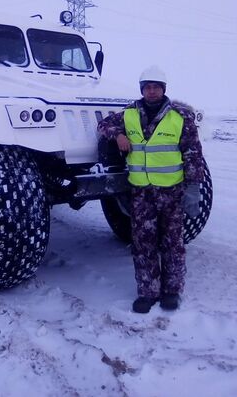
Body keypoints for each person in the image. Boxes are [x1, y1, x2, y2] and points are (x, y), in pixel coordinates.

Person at [97, 65, 204, 313]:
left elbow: (193, 153)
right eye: (147, 87)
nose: (152, 91)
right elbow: (103, 124)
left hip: (171, 192)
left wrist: (193, 187)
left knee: (172, 243)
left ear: (163, 89)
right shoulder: (129, 113)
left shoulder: (180, 116)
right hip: (142, 193)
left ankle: (172, 292)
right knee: (143, 243)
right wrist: (118, 135)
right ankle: (147, 292)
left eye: (156, 87)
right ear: (142, 89)